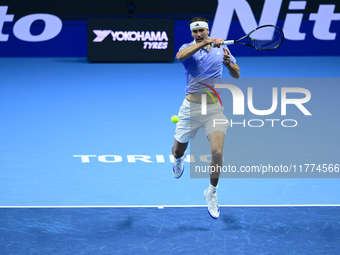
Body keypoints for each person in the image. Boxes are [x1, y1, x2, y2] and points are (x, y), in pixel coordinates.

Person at [172, 17, 240, 219]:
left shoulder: (222, 50)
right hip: (190, 108)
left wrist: (228, 64)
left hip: (214, 109)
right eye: (195, 32)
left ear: (207, 30)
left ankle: (211, 192)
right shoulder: (189, 48)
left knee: (218, 152)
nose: (198, 34)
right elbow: (179, 56)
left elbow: (236, 74)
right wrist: (205, 43)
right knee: (177, 149)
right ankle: (178, 160)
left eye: (201, 31)